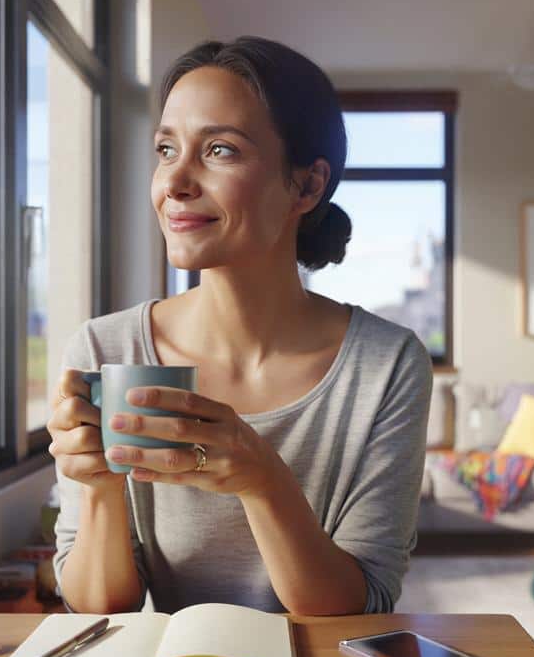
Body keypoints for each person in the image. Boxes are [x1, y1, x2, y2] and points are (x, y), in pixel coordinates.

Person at [46, 36, 432, 616]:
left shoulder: (387, 364)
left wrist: (263, 481)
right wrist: (100, 488)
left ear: (306, 185)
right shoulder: (106, 347)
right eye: (166, 149)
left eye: (220, 150)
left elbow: (361, 606)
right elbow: (102, 610)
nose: (174, 182)